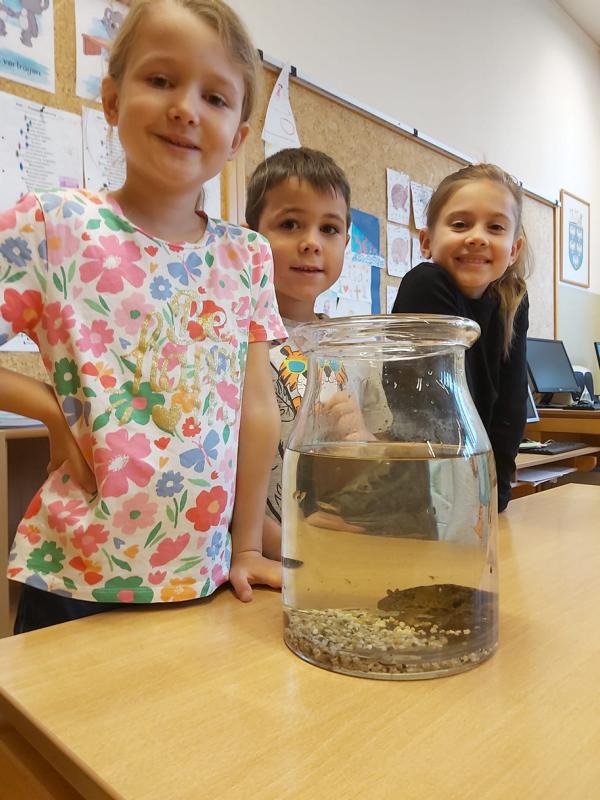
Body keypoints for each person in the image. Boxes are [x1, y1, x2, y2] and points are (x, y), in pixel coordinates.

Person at [0, 0, 287, 633]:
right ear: (111, 100)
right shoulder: (53, 225)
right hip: (76, 574)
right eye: (160, 80)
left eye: (215, 97)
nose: (185, 108)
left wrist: (246, 546)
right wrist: (49, 408)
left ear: (238, 138)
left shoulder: (247, 256)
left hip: (205, 574)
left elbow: (257, 408)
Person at [245, 147, 392, 551]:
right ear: (250, 237)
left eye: (328, 229)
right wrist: (285, 546)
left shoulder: (356, 351)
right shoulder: (234, 342)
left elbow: (381, 457)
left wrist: (361, 439)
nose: (311, 243)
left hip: (338, 548)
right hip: (259, 558)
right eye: (290, 224)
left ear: (346, 241)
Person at [391, 163, 529, 513]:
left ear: (513, 250)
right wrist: (476, 497)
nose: (477, 237)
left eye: (495, 227)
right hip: (422, 488)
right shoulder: (425, 285)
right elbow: (443, 411)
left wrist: (495, 492)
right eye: (460, 224)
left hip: (467, 492)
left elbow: (511, 406)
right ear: (426, 241)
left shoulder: (512, 300)